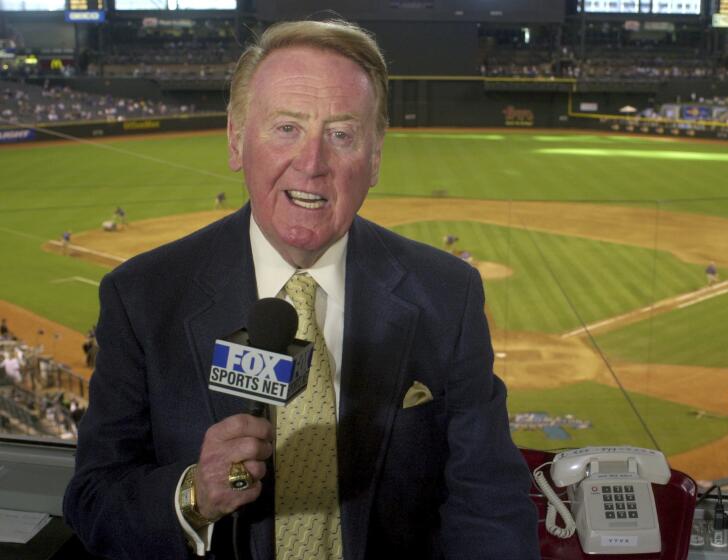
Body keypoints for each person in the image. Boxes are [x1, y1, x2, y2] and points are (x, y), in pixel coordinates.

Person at [63, 19, 539, 560]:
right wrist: (194, 493)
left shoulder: (447, 295)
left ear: (375, 157)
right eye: (286, 127)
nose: (312, 164)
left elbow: (489, 504)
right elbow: (93, 500)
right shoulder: (143, 297)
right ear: (237, 141)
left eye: (341, 134)